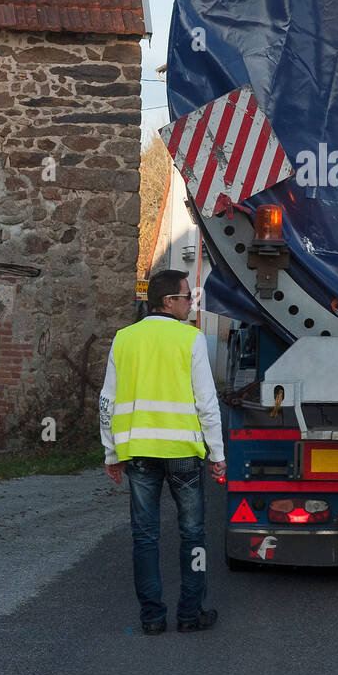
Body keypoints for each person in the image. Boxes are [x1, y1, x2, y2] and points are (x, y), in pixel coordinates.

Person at [100, 269, 227, 634]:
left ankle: (152, 619)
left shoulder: (124, 339)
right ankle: (190, 615)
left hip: (138, 452)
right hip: (183, 453)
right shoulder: (191, 339)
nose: (191, 302)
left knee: (145, 536)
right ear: (169, 301)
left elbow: (106, 400)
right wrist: (216, 454)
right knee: (192, 536)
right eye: (187, 297)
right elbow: (206, 402)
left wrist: (111, 453)